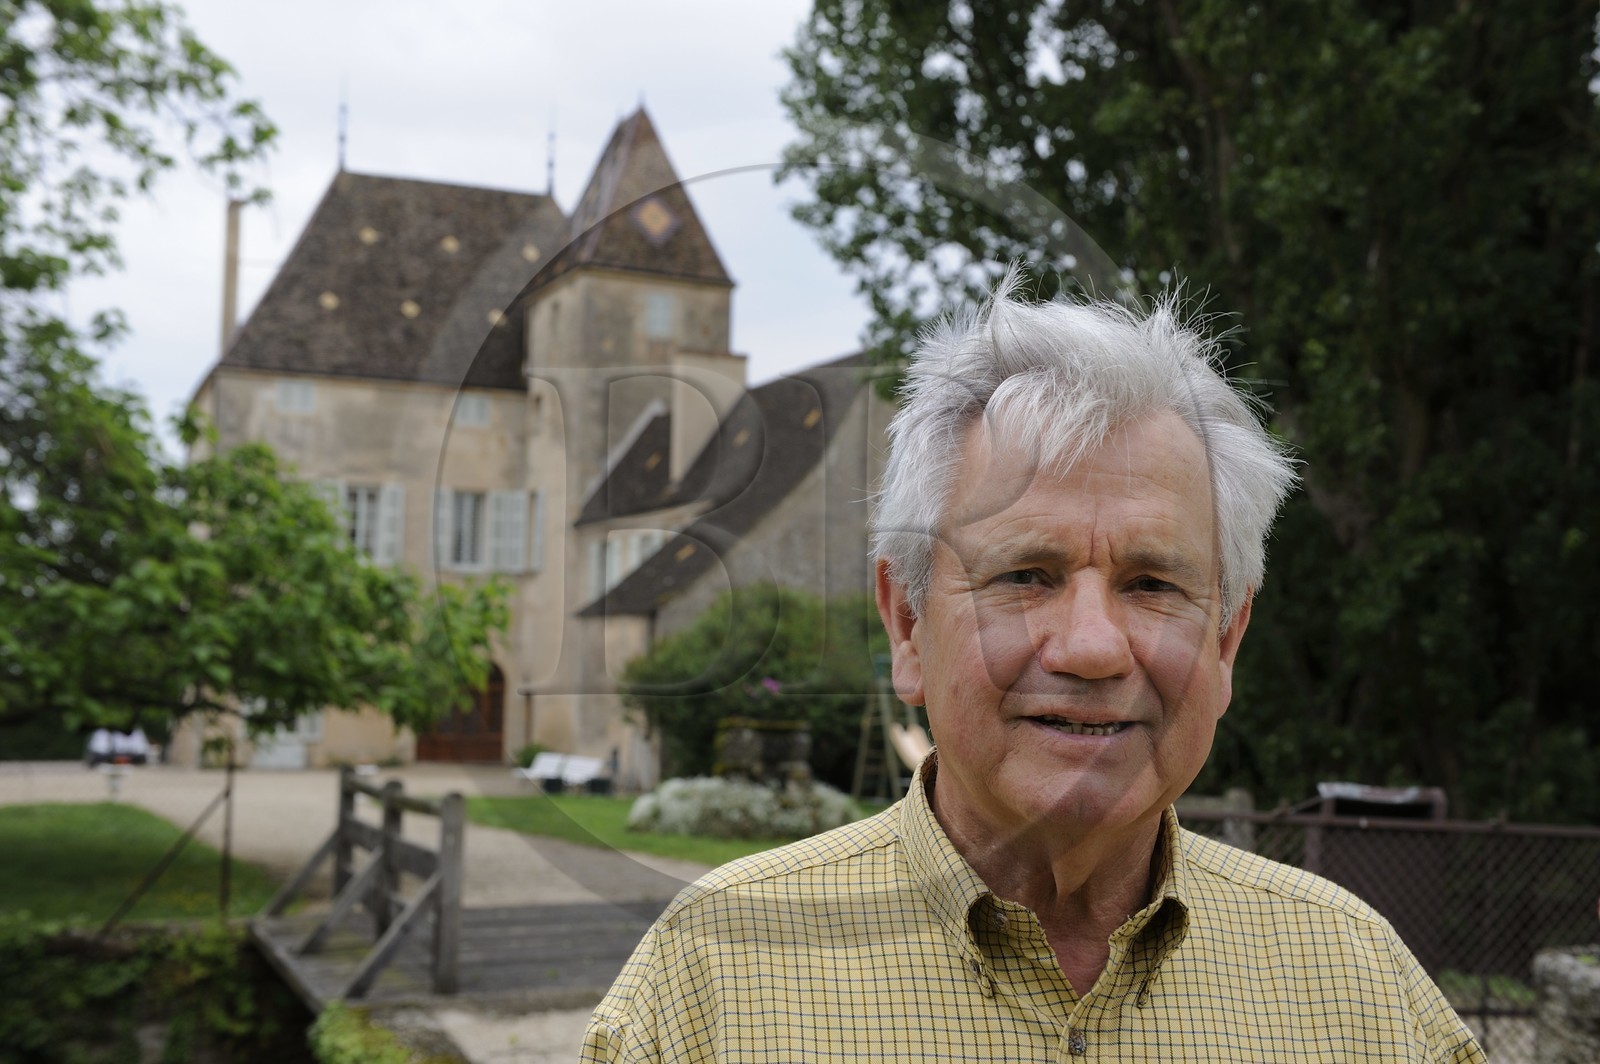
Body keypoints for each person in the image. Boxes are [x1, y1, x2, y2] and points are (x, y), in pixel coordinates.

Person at [581, 275, 1485, 1062]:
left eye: (1153, 582)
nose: (1092, 648)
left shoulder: (1365, 994)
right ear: (905, 624)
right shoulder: (712, 985)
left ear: (1225, 641)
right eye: (1026, 575)